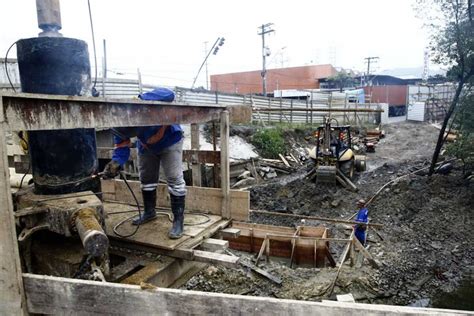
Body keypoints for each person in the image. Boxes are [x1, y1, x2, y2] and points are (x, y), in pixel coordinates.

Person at [103, 89, 186, 239]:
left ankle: (178, 222)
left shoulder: (141, 106)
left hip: (170, 140)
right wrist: (116, 162)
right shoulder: (118, 126)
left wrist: (141, 99)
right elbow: (122, 146)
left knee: (174, 179)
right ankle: (149, 212)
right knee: (146, 179)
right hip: (146, 145)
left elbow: (170, 94)